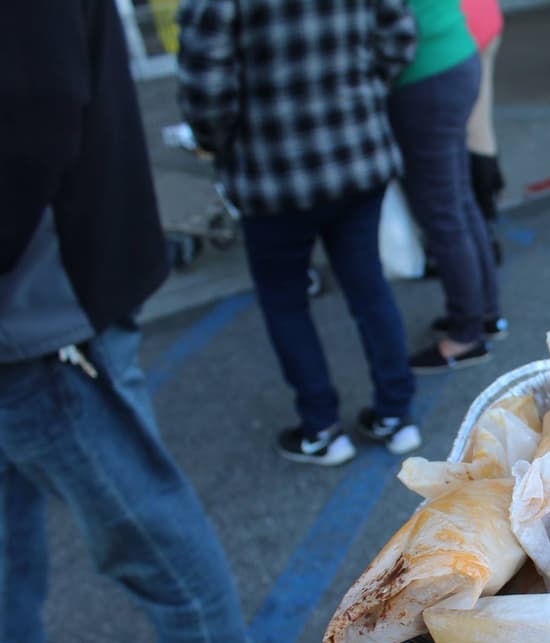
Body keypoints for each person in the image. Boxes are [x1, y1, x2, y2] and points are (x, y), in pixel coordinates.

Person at [0, 0, 274, 643]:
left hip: (45, 295)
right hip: (50, 284)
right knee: (25, 474)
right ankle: (13, 635)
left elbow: (33, 114)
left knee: (127, 498)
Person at [177, 0, 424, 465]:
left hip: (273, 170)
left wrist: (218, 140)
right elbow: (399, 38)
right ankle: (396, 415)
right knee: (368, 287)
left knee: (286, 302)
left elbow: (205, 89)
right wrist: (356, 92)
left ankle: (322, 428)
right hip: (356, 153)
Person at [389, 0, 507, 374]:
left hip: (425, 73)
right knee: (459, 201)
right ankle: (484, 313)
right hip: (457, 53)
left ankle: (466, 335)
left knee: (443, 213)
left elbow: (390, 33)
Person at [463, 0, 510, 268]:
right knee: (481, 128)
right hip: (485, 17)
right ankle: (488, 221)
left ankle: (483, 234)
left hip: (462, 30)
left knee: (470, 134)